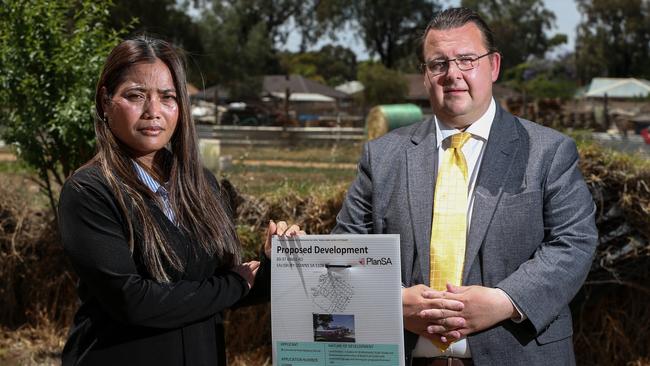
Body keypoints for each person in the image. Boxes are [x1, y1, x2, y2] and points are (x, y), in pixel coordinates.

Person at [333, 7, 598, 366]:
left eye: (466, 59)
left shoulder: (548, 151)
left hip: (518, 355)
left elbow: (574, 243)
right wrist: (390, 300)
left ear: (494, 66)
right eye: (438, 64)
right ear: (425, 75)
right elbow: (346, 250)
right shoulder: (382, 157)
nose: (452, 74)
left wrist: (504, 301)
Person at [58, 36, 301, 366]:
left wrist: (274, 264)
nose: (153, 111)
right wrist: (236, 282)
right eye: (135, 96)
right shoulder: (90, 191)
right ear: (105, 101)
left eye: (167, 97)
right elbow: (134, 301)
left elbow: (219, 289)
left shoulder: (201, 186)